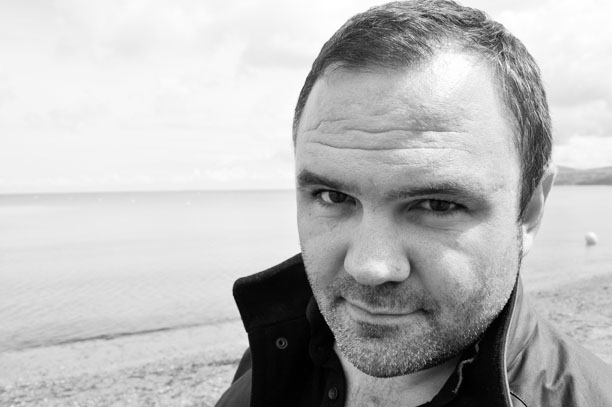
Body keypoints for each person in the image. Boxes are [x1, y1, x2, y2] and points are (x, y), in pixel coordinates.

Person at [216, 1, 612, 406]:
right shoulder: (270, 359)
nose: (369, 268)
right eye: (334, 197)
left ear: (528, 210)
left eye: (436, 205)